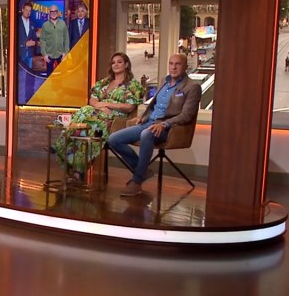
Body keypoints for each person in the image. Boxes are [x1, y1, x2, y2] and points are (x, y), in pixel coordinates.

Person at [107, 53, 202, 197]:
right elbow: (154, 105)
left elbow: (186, 115)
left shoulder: (192, 87)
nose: (173, 67)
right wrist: (143, 117)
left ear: (185, 67)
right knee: (113, 139)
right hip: (149, 122)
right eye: (171, 64)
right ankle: (142, 171)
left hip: (168, 128)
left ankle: (137, 181)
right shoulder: (164, 81)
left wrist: (164, 124)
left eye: (178, 64)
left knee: (147, 134)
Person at [53, 52, 145, 179]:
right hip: (97, 113)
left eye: (119, 62)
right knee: (84, 125)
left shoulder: (133, 85)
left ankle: (64, 150)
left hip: (116, 118)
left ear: (126, 64)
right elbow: (92, 100)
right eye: (113, 63)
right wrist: (101, 107)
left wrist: (106, 104)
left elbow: (129, 106)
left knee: (92, 126)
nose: (116, 65)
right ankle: (75, 166)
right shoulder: (104, 82)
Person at [39, 4, 69, 75]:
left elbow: (66, 38)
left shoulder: (63, 24)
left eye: (55, 11)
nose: (53, 13)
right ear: (49, 13)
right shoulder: (45, 25)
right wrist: (44, 54)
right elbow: (42, 40)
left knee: (62, 75)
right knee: (49, 76)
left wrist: (65, 53)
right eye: (52, 11)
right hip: (49, 55)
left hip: (61, 54)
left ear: (58, 12)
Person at [17, 1, 39, 70]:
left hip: (29, 54)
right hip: (20, 54)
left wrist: (34, 42)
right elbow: (13, 38)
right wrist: (25, 44)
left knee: (28, 73)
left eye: (29, 11)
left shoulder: (32, 24)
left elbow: (34, 38)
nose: (28, 12)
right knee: (20, 74)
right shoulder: (16, 22)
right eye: (26, 10)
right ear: (22, 10)